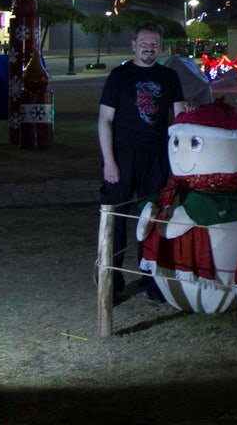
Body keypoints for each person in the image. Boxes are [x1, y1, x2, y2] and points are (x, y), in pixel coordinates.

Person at [98, 21, 188, 303]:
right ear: (134, 45)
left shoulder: (169, 77)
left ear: (160, 46)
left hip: (157, 158)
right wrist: (109, 162)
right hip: (123, 157)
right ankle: (111, 281)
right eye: (144, 43)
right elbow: (105, 120)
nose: (149, 48)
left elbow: (179, 118)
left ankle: (152, 280)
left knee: (152, 220)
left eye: (154, 44)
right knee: (117, 221)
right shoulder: (119, 76)